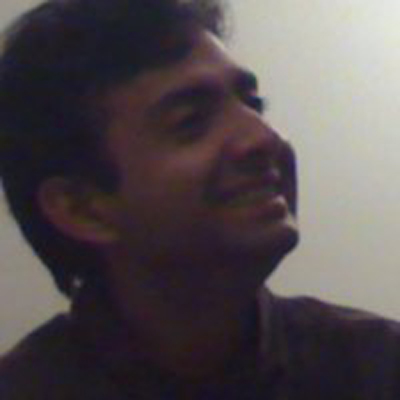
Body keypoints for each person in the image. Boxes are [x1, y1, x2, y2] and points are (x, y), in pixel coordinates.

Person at [0, 0, 398, 398]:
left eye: (254, 105)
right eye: (191, 121)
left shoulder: (378, 366)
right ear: (82, 208)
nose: (263, 137)